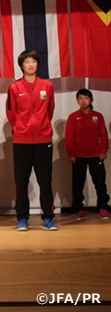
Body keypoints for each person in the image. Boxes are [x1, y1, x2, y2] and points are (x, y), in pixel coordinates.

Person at [6, 50, 57, 232]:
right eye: (27, 61)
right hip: (22, 141)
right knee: (21, 182)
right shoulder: (15, 87)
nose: (30, 64)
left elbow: (50, 110)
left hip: (43, 140)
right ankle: (22, 218)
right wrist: (21, 128)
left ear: (37, 64)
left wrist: (42, 127)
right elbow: (11, 112)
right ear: (21, 65)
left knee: (45, 180)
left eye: (33, 61)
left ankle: (48, 218)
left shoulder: (47, 86)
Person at [65, 88, 110, 220]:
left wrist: (103, 151)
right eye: (80, 98)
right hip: (79, 156)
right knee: (78, 184)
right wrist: (71, 154)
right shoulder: (73, 117)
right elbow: (69, 137)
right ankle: (79, 209)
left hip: (96, 155)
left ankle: (103, 207)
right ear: (77, 101)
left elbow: (103, 135)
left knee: (100, 183)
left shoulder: (98, 116)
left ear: (91, 100)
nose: (83, 101)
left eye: (86, 98)